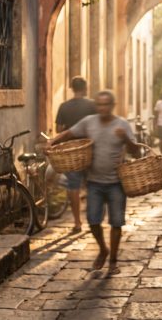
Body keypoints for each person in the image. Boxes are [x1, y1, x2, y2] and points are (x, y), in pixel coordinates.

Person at [48, 91, 140, 275]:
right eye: (99, 104)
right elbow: (68, 133)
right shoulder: (89, 122)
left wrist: (125, 139)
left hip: (116, 183)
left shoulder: (122, 125)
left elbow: (136, 152)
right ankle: (103, 249)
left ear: (112, 105)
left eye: (106, 104)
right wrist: (52, 142)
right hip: (94, 182)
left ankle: (113, 260)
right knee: (92, 221)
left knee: (116, 223)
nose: (102, 108)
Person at [54, 76, 96, 234]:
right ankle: (94, 219)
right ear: (85, 88)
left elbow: (59, 129)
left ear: (72, 88)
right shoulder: (92, 105)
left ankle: (77, 223)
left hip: (71, 152)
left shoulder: (64, 106)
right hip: (89, 149)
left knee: (73, 186)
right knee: (93, 184)